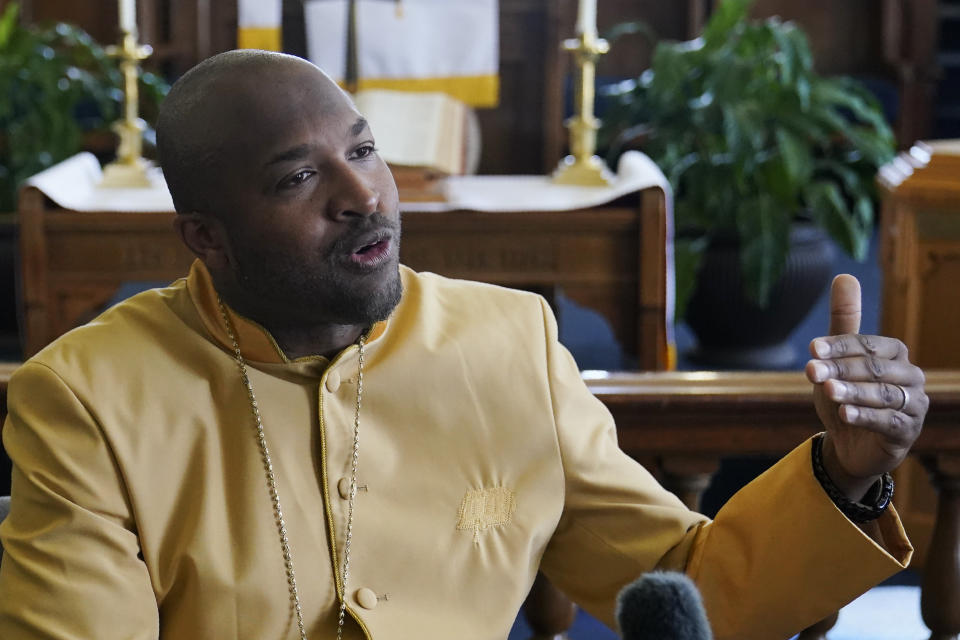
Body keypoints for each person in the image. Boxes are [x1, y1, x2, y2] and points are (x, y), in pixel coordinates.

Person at [0, 50, 927, 640]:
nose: (363, 195)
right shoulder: (86, 397)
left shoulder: (508, 342)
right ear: (206, 235)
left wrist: (848, 478)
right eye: (298, 177)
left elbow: (693, 589)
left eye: (363, 151)